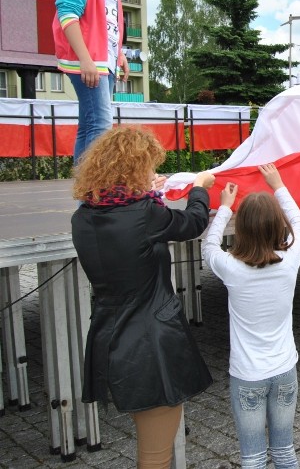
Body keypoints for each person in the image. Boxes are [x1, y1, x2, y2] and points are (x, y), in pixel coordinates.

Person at [71, 126, 214, 468]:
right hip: (152, 342)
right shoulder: (145, 214)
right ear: (135, 168)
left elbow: (129, 228)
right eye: (148, 166)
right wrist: (199, 189)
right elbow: (193, 223)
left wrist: (150, 193)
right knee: (155, 456)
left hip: (110, 334)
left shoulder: (83, 216)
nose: (152, 172)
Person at [201, 164, 300, 469]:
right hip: (284, 369)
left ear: (242, 229)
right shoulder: (289, 261)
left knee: (254, 458)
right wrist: (279, 185)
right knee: (285, 452)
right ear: (278, 226)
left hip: (248, 375)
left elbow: (208, 246)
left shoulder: (231, 268)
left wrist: (224, 208)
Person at [53, 0, 130, 164]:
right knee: (100, 124)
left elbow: (109, 24)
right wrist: (85, 59)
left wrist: (119, 54)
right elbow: (68, 16)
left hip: (104, 59)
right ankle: (95, 189)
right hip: (89, 60)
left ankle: (85, 190)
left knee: (90, 124)